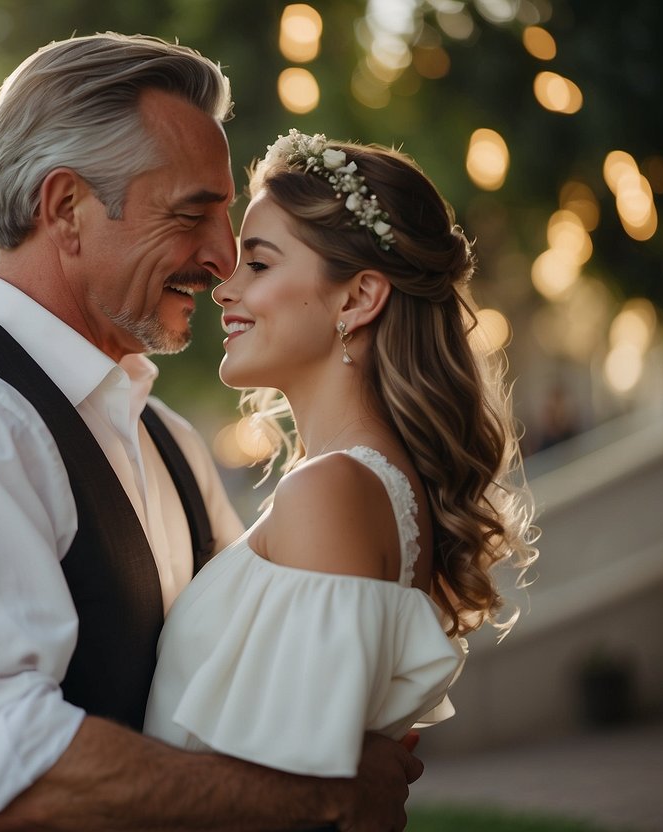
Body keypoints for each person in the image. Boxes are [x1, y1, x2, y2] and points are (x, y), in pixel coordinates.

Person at [0, 35, 421, 832]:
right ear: (66, 208)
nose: (220, 261)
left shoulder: (166, 437)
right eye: (190, 213)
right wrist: (323, 796)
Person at [145, 130, 538, 790]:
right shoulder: (356, 484)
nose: (222, 288)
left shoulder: (330, 492)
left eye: (259, 265)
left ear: (357, 298)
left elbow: (296, 794)